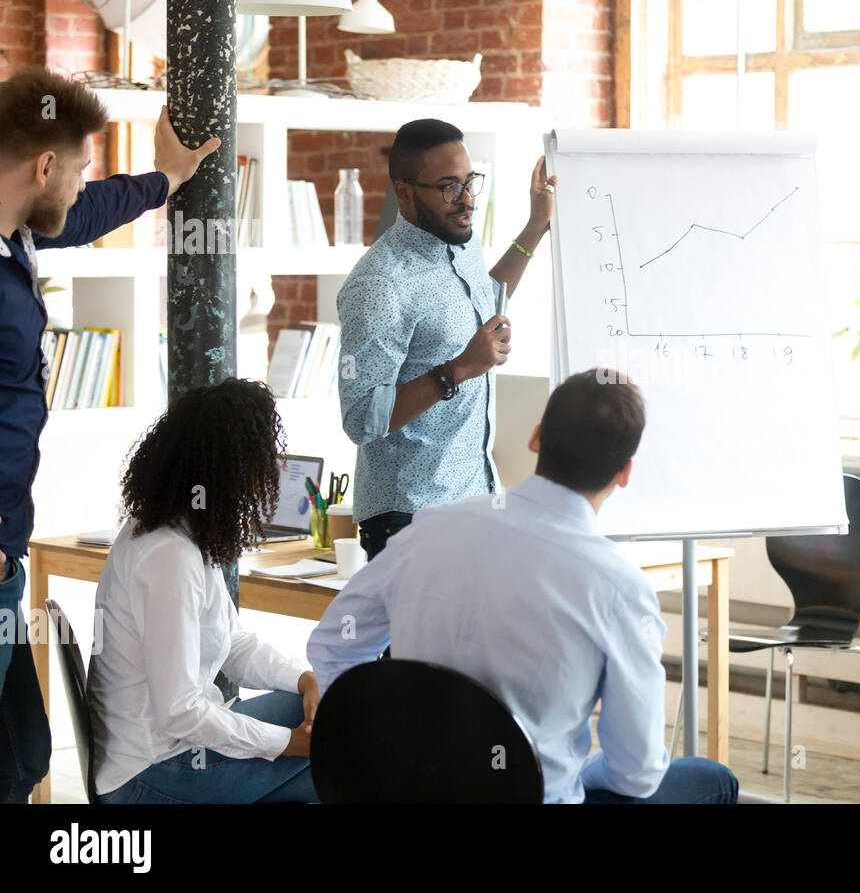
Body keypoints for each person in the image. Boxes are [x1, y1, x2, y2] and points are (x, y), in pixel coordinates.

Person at [308, 370, 739, 804]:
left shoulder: (432, 527)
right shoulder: (619, 588)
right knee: (710, 778)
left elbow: (332, 642)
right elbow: (636, 774)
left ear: (536, 438)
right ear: (625, 473)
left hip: (408, 789)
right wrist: (574, 770)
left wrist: (384, 742)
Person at [0, 66, 218, 803]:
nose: (83, 181)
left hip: (7, 540)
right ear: (44, 166)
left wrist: (164, 179)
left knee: (21, 756)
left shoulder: (18, 233)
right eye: (80, 165)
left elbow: (84, 211)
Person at [89, 379, 319, 803]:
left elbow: (235, 644)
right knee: (339, 754)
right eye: (261, 462)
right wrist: (288, 744)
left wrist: (305, 679)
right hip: (149, 775)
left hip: (176, 752)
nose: (266, 477)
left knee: (333, 729)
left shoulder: (188, 531)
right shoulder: (167, 557)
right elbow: (180, 712)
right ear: (226, 471)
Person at [337, 119, 557, 559]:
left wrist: (536, 226)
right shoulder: (380, 283)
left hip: (476, 497)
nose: (467, 199)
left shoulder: (458, 240)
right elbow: (361, 418)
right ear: (403, 191)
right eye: (447, 186)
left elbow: (483, 297)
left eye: (469, 181)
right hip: (410, 518)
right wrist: (461, 368)